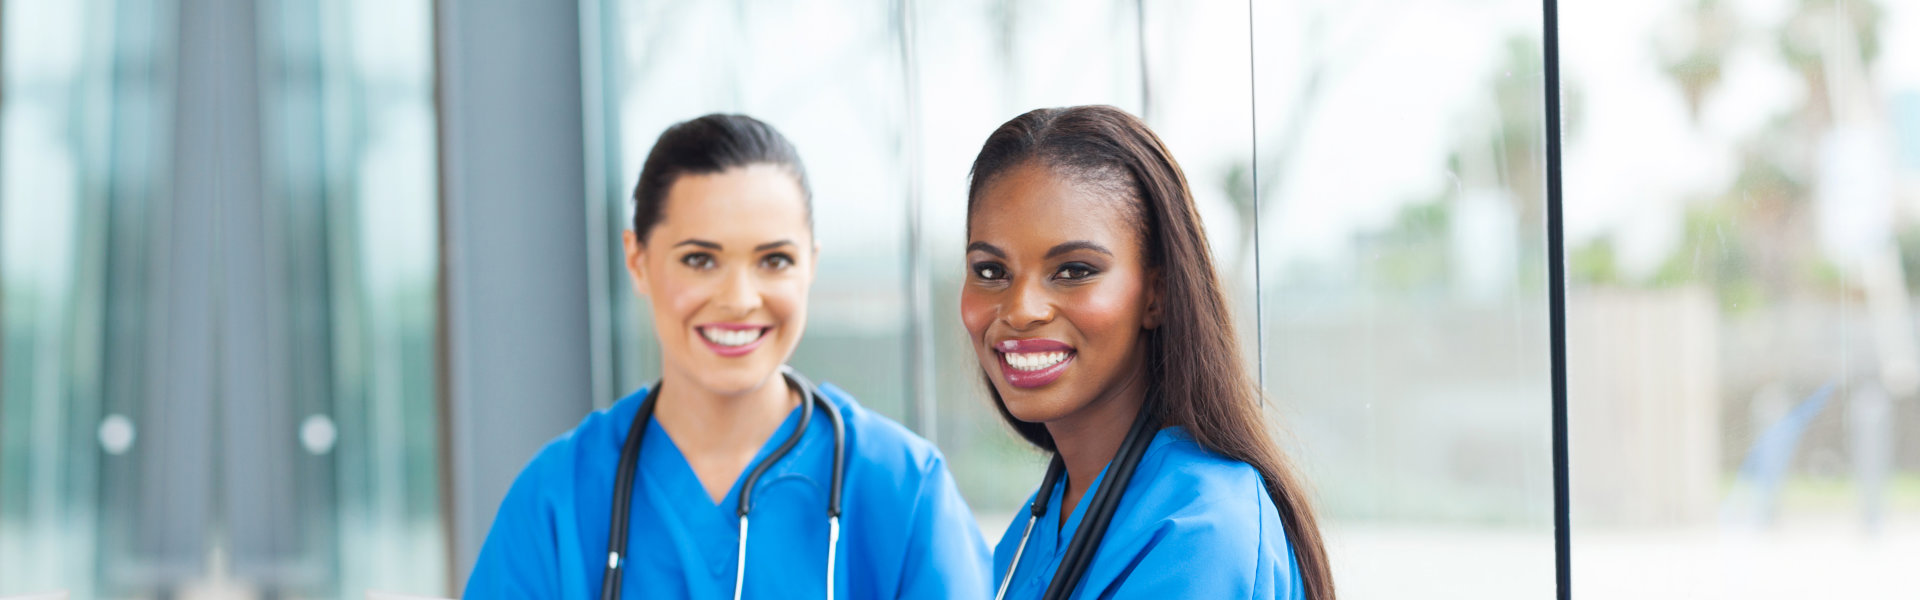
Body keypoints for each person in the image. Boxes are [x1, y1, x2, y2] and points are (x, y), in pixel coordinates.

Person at [466, 113, 991, 598]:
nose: (739, 299)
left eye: (774, 260)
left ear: (810, 264)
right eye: (699, 259)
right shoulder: (558, 496)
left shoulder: (900, 487)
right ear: (638, 259)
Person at [960, 106, 1334, 599]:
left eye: (1074, 270)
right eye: (991, 271)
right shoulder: (1039, 524)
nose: (1021, 309)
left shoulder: (1204, 531)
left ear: (1156, 294)